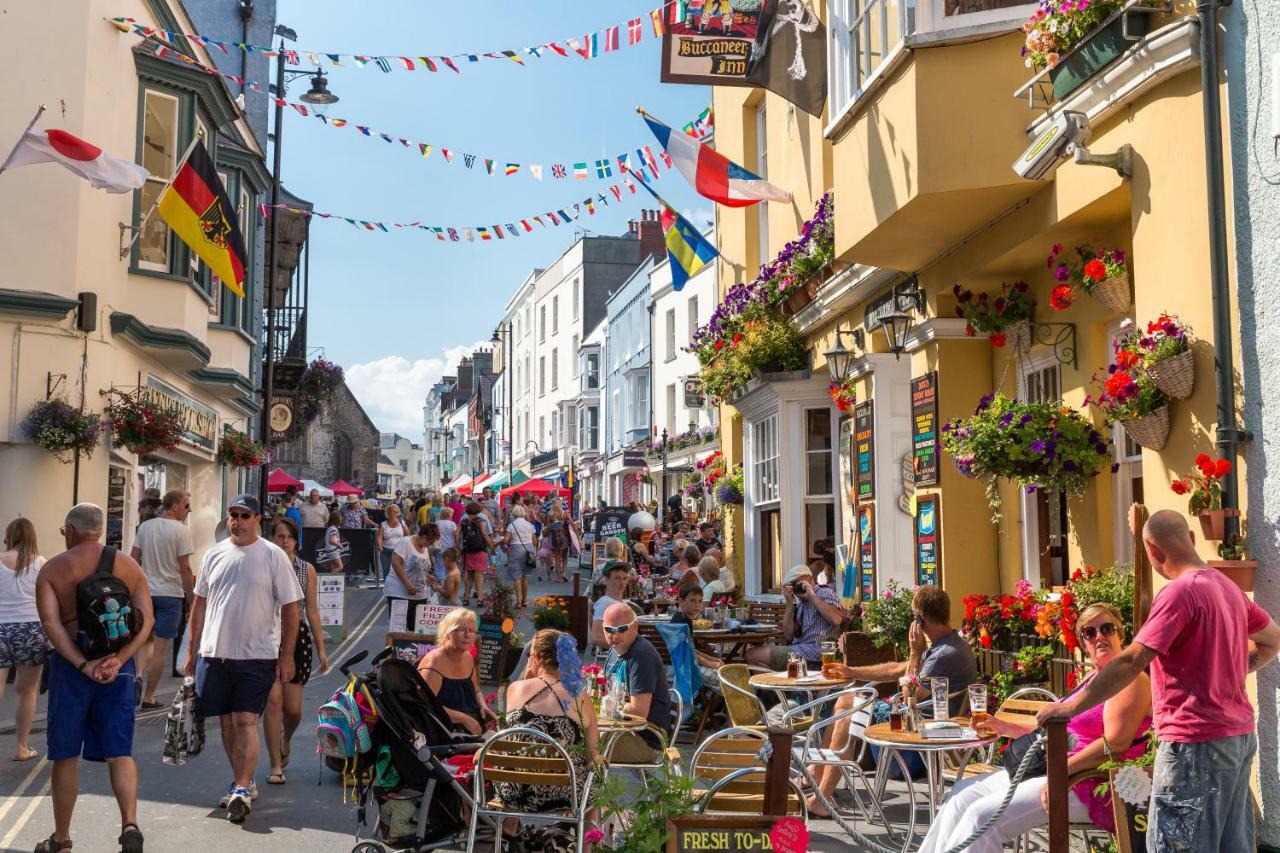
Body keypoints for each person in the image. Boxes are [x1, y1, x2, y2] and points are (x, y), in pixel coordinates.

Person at [1038, 509, 1280, 851]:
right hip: (1237, 737)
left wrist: (1069, 706)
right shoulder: (1227, 588)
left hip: (1194, 743)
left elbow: (1133, 660)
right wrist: (1222, 670)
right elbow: (1272, 640)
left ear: (1152, 550)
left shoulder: (1179, 594)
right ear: (1192, 540)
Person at [920, 603, 1152, 853]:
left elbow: (1114, 745)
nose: (1099, 637)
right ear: (1082, 642)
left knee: (981, 817)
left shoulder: (1130, 679)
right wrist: (1003, 725)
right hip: (1054, 768)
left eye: (1107, 629)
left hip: (1091, 782)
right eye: (1089, 632)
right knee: (961, 796)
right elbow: (1053, 729)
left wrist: (1060, 774)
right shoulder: (1091, 678)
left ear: (1120, 634)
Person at [34, 504, 154, 853]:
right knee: (120, 751)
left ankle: (62, 840)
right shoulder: (129, 567)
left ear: (70, 530)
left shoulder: (53, 570)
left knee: (65, 755)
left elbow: (52, 626)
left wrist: (83, 665)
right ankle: (129, 824)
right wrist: (119, 660)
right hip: (118, 669)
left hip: (72, 670)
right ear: (100, 531)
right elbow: (145, 623)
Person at [805, 585, 980, 815]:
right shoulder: (947, 643)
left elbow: (910, 698)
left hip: (920, 724)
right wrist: (852, 672)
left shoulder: (942, 655)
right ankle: (817, 781)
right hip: (923, 716)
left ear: (920, 619)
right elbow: (900, 668)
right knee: (846, 702)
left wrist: (915, 654)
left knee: (847, 707)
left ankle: (820, 793)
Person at [185, 494, 300, 825]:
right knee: (226, 721)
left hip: (257, 654)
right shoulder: (214, 554)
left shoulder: (273, 556)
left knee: (245, 720)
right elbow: (200, 603)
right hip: (215, 653)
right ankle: (244, 781)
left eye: (244, 515)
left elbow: (291, 608)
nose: (237, 520)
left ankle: (238, 788)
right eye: (233, 515)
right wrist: (192, 650)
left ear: (257, 518)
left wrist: (287, 654)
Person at [495, 630, 600, 838]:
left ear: (536, 658)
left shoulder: (515, 689)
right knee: (595, 780)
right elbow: (592, 755)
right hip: (565, 794)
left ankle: (509, 825)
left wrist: (527, 677)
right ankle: (584, 845)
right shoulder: (580, 696)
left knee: (519, 758)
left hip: (514, 792)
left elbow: (515, 737)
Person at [262, 518, 329, 786]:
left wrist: (321, 648)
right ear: (272, 539)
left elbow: (311, 610)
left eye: (289, 536)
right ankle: (275, 765)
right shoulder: (263, 565)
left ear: (296, 540)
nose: (284, 540)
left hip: (297, 639)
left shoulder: (306, 569)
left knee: (293, 710)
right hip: (267, 637)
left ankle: (285, 738)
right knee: (273, 703)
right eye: (279, 536)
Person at [130, 489, 194, 709]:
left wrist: (133, 589)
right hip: (170, 594)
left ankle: (138, 675)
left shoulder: (145, 527)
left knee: (144, 641)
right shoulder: (181, 531)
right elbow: (185, 568)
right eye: (186, 505)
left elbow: (133, 560)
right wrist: (191, 597)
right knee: (160, 648)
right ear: (175, 506)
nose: (189, 510)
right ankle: (149, 696)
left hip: (145, 593)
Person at [0, 518, 49, 761]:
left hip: (0, 627)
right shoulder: (42, 564)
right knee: (27, 691)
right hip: (30, 629)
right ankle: (21, 747)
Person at [601, 603, 672, 763]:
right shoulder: (615, 650)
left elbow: (639, 711)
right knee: (575, 735)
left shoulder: (641, 656)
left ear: (635, 627)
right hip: (622, 730)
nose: (615, 634)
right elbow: (605, 692)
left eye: (622, 628)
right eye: (609, 629)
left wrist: (605, 705)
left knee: (581, 746)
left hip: (646, 740)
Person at [745, 565, 842, 671]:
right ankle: (775, 686)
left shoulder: (824, 592)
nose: (796, 587)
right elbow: (788, 635)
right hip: (799, 650)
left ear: (809, 578)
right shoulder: (801, 602)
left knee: (754, 655)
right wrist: (790, 604)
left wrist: (811, 595)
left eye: (797, 582)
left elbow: (836, 619)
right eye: (793, 584)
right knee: (752, 654)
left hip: (817, 651)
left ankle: (772, 687)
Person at [418, 609, 497, 736]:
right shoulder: (434, 662)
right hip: (444, 731)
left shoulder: (468, 657)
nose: (467, 635)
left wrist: (483, 706)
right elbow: (426, 706)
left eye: (472, 631)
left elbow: (475, 689)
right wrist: (464, 719)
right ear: (448, 632)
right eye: (461, 630)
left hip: (471, 726)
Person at [668, 586, 725, 677]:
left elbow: (691, 649)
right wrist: (711, 664)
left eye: (700, 601)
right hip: (681, 669)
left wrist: (713, 659)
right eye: (692, 600)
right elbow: (688, 653)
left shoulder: (684, 618)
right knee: (724, 677)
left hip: (684, 664)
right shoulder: (681, 621)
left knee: (723, 669)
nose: (697, 605)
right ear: (681, 602)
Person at [386, 523, 434, 632]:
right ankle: (396, 649)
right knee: (398, 629)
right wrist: (408, 583)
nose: (429, 545)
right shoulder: (406, 542)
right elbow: (395, 563)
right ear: (424, 536)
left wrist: (427, 576)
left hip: (419, 595)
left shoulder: (424, 547)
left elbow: (419, 567)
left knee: (417, 629)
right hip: (400, 593)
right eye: (429, 542)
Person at [501, 505, 538, 609]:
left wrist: (500, 541)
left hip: (516, 550)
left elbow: (506, 540)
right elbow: (534, 541)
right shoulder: (530, 525)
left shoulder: (511, 525)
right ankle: (525, 600)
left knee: (517, 576)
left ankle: (518, 601)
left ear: (514, 514)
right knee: (525, 576)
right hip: (529, 550)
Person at [459, 502, 494, 605]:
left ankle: (466, 599)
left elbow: (457, 534)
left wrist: (458, 546)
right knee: (479, 575)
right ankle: (480, 599)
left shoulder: (463, 521)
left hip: (467, 551)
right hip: (479, 550)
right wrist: (491, 546)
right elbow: (484, 533)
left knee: (469, 576)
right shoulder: (480, 520)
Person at [590, 561, 631, 650]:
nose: (622, 582)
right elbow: (595, 638)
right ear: (606, 580)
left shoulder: (619, 602)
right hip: (619, 654)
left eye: (624, 578)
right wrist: (626, 647)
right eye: (617, 578)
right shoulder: (604, 604)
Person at [375, 503, 409, 587]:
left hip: (399, 552)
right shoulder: (384, 524)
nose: (394, 513)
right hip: (386, 551)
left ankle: (398, 590)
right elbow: (379, 537)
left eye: (396, 512)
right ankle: (389, 593)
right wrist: (379, 546)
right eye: (392, 511)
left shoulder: (402, 523)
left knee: (399, 572)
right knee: (387, 573)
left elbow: (407, 536)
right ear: (388, 513)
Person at [544, 506, 571, 583]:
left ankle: (558, 576)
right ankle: (564, 573)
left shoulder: (550, 515)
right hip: (564, 536)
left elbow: (548, 527)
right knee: (565, 555)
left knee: (557, 557)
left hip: (554, 537)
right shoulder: (564, 514)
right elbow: (569, 523)